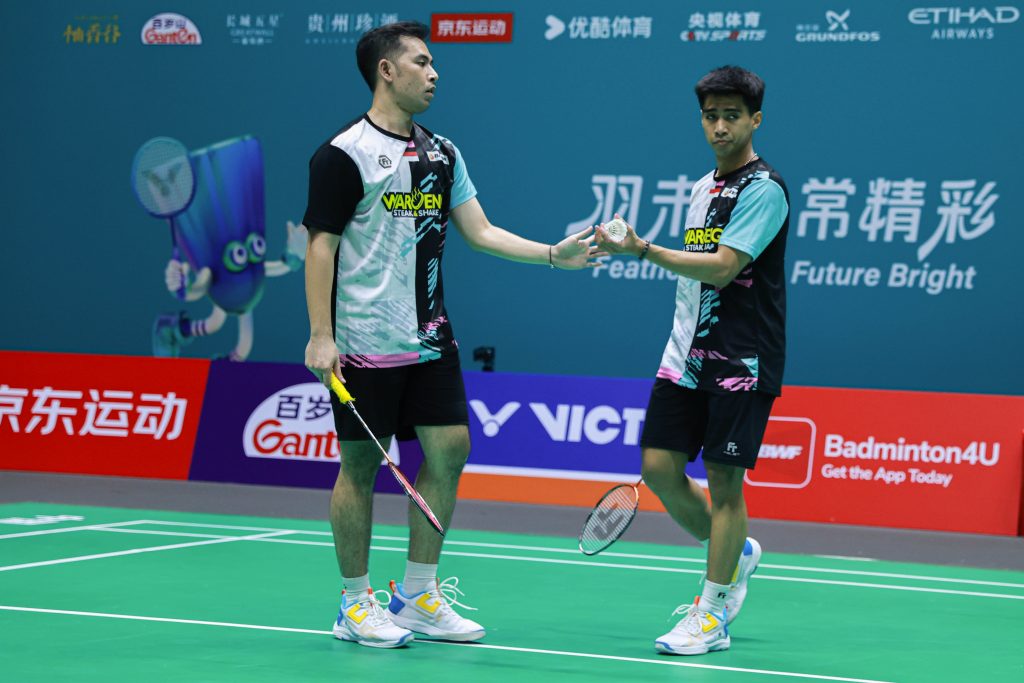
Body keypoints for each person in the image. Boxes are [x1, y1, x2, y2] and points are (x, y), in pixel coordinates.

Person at [302, 21, 602, 649]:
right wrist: (320, 335)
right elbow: (321, 246)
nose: (434, 73)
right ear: (387, 71)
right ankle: (354, 602)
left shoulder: (443, 153)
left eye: (433, 62)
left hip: (431, 338)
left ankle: (417, 595)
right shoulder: (343, 153)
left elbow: (481, 231)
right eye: (421, 62)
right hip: (364, 342)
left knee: (451, 450)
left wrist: (554, 254)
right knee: (359, 467)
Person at [595, 65, 789, 656]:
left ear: (755, 120)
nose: (720, 126)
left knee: (726, 484)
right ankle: (736, 554)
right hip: (684, 356)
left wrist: (642, 249)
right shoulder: (702, 187)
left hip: (741, 360)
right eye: (711, 116)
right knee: (658, 467)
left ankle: (712, 612)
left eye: (732, 116)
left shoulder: (765, 189)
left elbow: (724, 268)